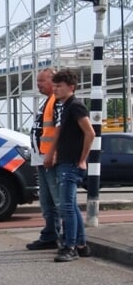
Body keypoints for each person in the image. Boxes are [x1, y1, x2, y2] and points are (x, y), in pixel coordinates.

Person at [43, 69, 92, 263]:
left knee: (66, 207)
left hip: (71, 163)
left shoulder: (75, 106)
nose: (55, 89)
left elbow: (90, 133)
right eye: (54, 86)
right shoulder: (66, 107)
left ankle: (70, 247)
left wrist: (82, 159)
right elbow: (61, 133)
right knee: (70, 205)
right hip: (65, 160)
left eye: (59, 86)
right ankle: (81, 245)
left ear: (71, 87)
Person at [26, 68, 62, 251]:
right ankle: (50, 234)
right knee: (47, 201)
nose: (38, 85)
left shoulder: (56, 102)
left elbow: (57, 130)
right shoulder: (47, 102)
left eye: (41, 81)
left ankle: (64, 237)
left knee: (57, 201)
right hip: (41, 158)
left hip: (49, 158)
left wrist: (52, 153)